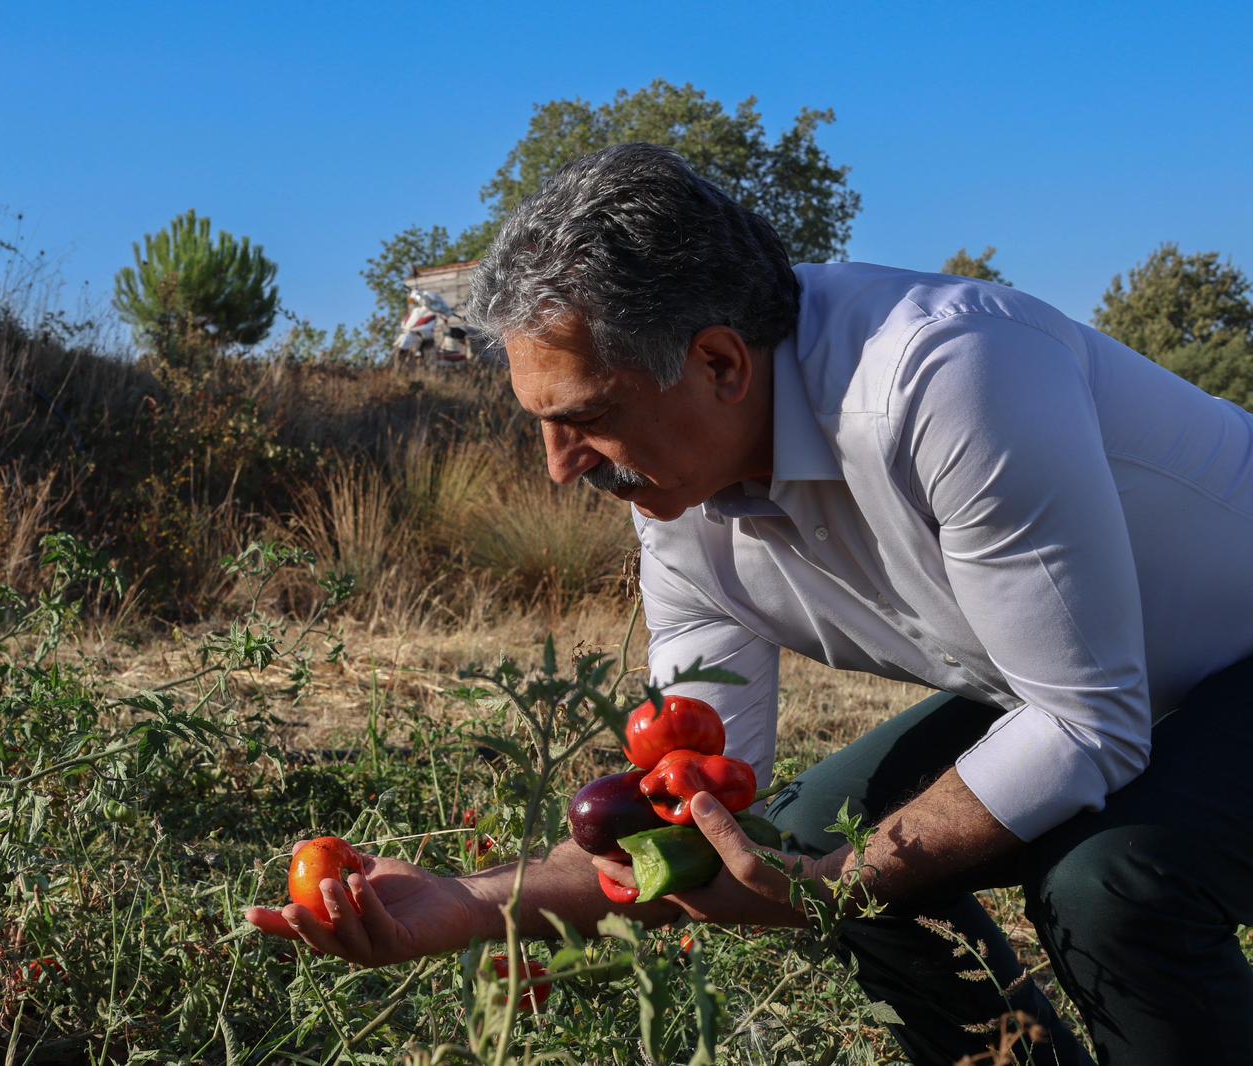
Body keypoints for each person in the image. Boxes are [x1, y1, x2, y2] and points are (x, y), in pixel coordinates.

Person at [246, 143, 1253, 1065]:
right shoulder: (677, 495)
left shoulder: (945, 378)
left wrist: (849, 877)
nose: (557, 471)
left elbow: (1085, 726)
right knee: (808, 842)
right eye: (541, 425)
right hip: (1092, 679)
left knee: (1113, 884)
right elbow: (702, 812)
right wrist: (468, 903)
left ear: (721, 363)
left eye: (585, 419)